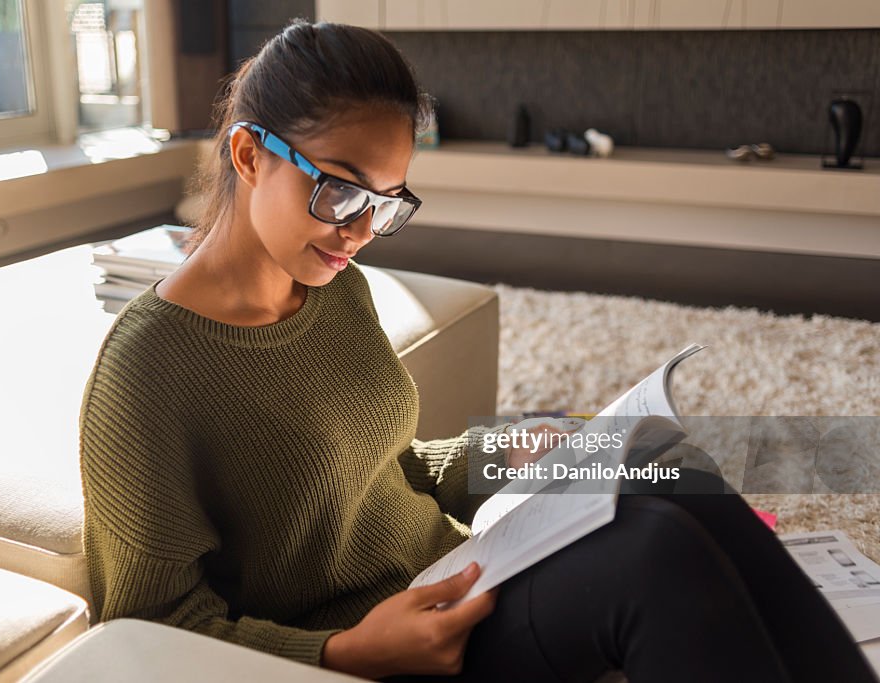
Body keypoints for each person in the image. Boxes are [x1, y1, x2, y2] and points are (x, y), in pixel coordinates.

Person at [77, 19, 878, 683]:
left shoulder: (332, 289)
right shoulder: (147, 374)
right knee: (656, 557)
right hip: (378, 650)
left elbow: (384, 471)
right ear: (250, 157)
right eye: (341, 189)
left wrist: (509, 450)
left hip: (455, 575)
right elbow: (147, 626)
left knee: (672, 466)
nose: (361, 231)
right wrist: (345, 648)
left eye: (387, 202)